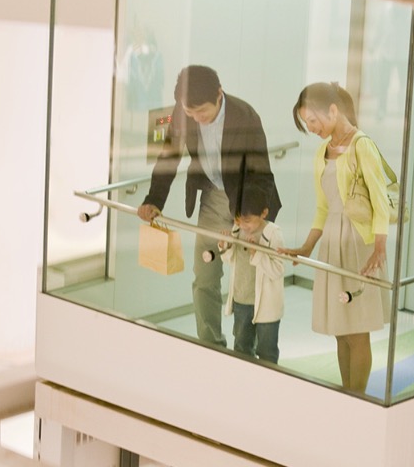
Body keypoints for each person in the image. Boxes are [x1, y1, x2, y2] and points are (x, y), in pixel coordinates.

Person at [137, 65, 282, 348]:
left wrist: (253, 221)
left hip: (248, 202)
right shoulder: (183, 113)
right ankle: (210, 344)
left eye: (201, 112)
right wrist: (153, 200)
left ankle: (245, 350)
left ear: (219, 94)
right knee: (205, 276)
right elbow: (168, 157)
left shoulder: (245, 116)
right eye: (190, 114)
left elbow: (260, 172)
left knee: (248, 286)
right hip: (214, 198)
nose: (196, 119)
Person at [280, 82, 390, 394]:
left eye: (313, 121)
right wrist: (306, 247)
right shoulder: (321, 151)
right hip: (332, 242)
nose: (311, 129)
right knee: (341, 330)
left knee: (358, 331)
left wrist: (379, 246)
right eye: (306, 124)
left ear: (332, 110)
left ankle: (359, 396)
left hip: (360, 244)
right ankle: (347, 393)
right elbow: (323, 207)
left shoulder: (361, 145)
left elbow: (380, 200)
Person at [218, 184, 285, 364]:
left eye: (247, 221)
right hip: (242, 299)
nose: (243, 225)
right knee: (241, 347)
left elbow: (278, 270)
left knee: (267, 351)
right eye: (239, 219)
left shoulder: (272, 233)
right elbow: (231, 259)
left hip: (266, 304)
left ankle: (268, 385)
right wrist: (225, 246)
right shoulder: (237, 228)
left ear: (264, 213)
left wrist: (258, 254)